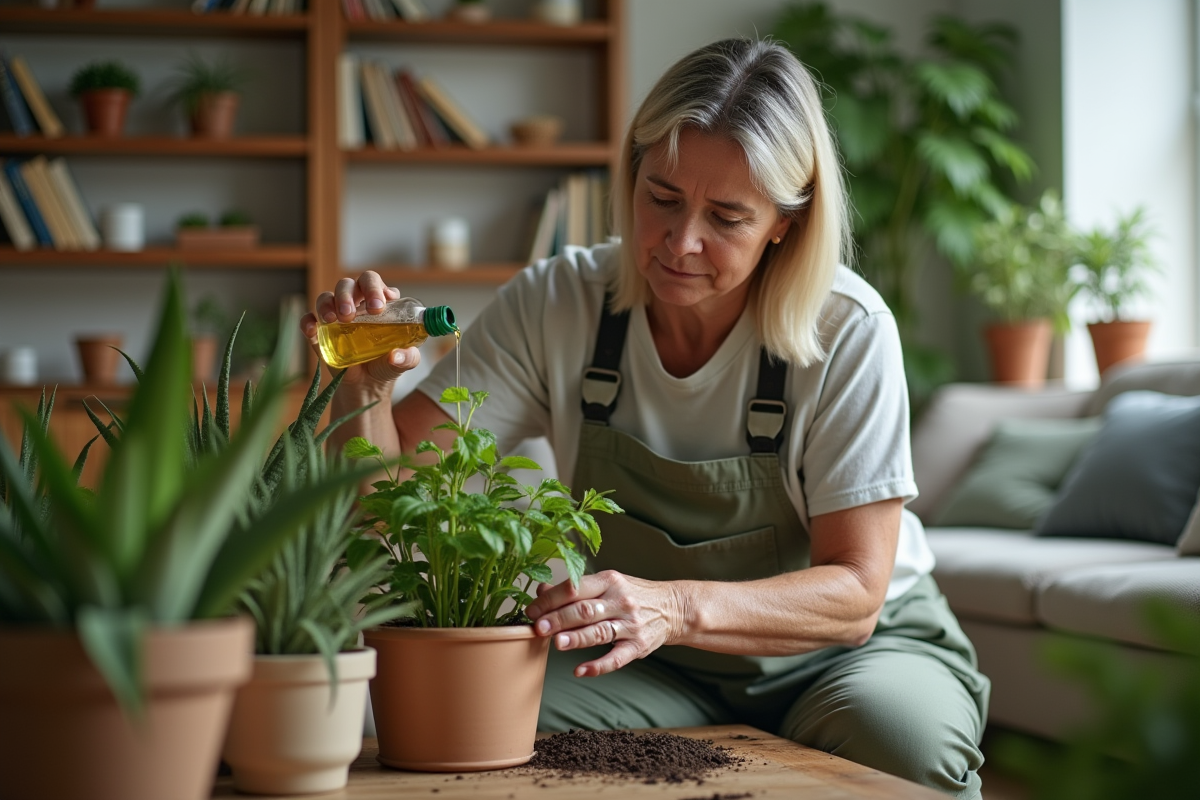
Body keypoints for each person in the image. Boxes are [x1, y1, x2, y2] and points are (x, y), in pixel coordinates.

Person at [303, 38, 989, 799]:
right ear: (630, 175)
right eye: (661, 197)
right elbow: (392, 498)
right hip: (647, 663)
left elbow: (857, 593)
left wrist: (676, 603)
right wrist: (361, 390)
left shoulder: (849, 328)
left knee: (900, 746)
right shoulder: (557, 303)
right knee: (473, 728)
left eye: (727, 216)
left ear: (784, 224)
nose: (679, 242)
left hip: (849, 656)